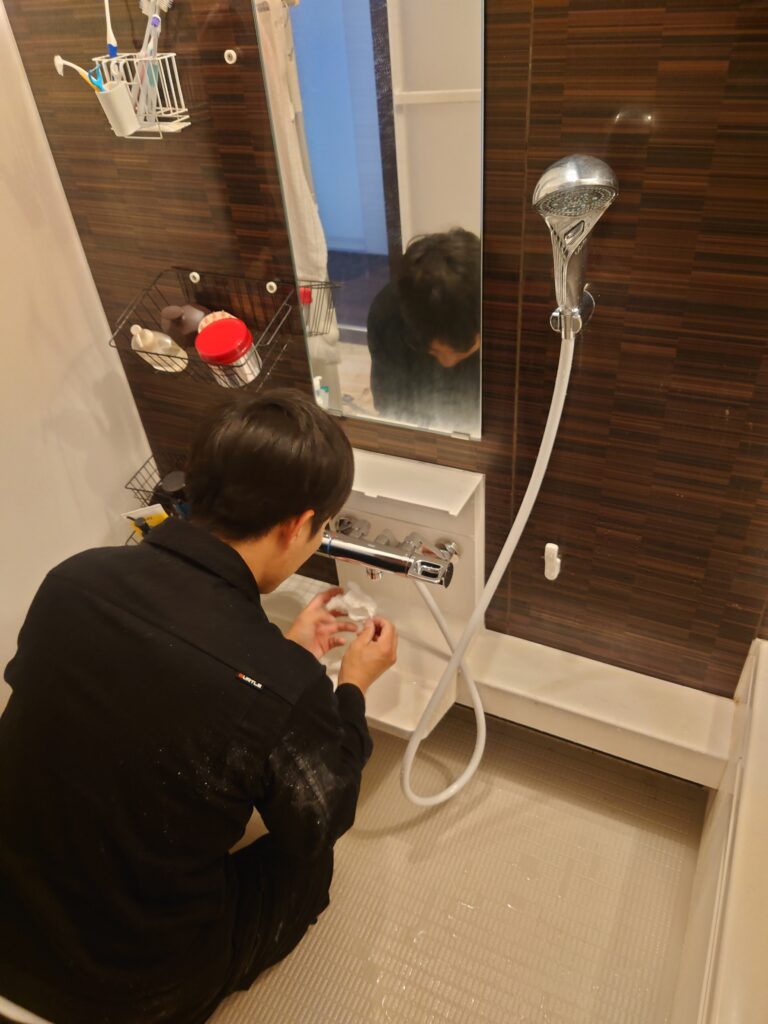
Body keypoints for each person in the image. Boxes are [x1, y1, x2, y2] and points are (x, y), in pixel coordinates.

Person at [0, 389, 397, 1024]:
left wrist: (287, 658)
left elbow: (141, 699)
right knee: (308, 866)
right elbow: (321, 819)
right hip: (127, 992)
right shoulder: (280, 684)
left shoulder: (75, 579)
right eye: (323, 528)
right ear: (298, 525)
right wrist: (350, 685)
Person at [366, 228, 481, 435]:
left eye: (463, 350)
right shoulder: (387, 315)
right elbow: (390, 407)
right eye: (434, 351)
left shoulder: (499, 315)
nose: (447, 362)